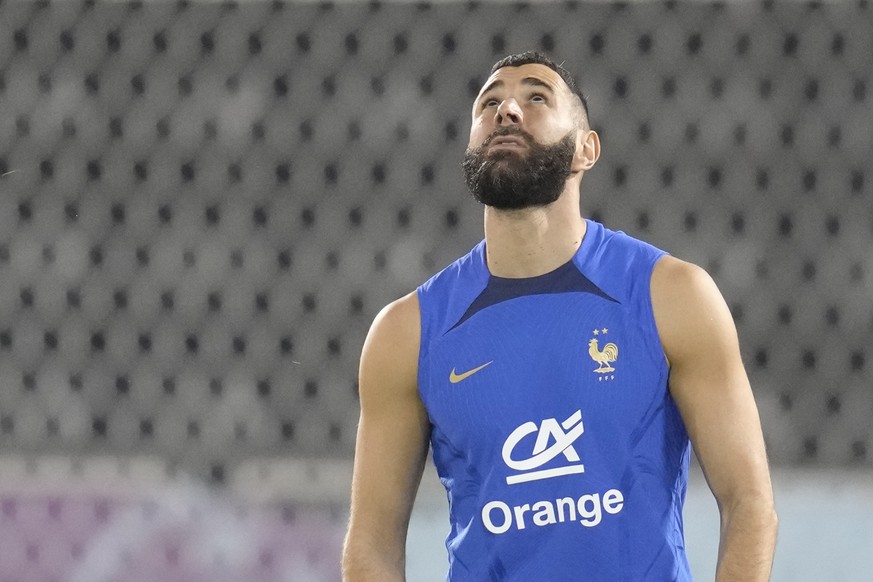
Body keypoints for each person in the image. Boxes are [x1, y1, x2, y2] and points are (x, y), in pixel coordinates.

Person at [342, 51, 777, 581]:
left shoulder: (671, 296)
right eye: (490, 102)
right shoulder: (407, 333)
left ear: (586, 149)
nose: (507, 110)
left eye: (537, 97)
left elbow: (749, 503)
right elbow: (372, 543)